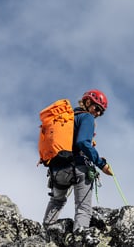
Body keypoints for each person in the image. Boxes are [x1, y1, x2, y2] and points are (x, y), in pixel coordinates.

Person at [43, 89, 113, 232]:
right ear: (88, 102)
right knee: (83, 208)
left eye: (101, 112)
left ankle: (47, 230)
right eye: (97, 108)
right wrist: (101, 164)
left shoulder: (67, 119)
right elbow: (83, 143)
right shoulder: (87, 118)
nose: (98, 113)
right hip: (78, 169)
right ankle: (80, 237)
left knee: (57, 200)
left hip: (56, 170)